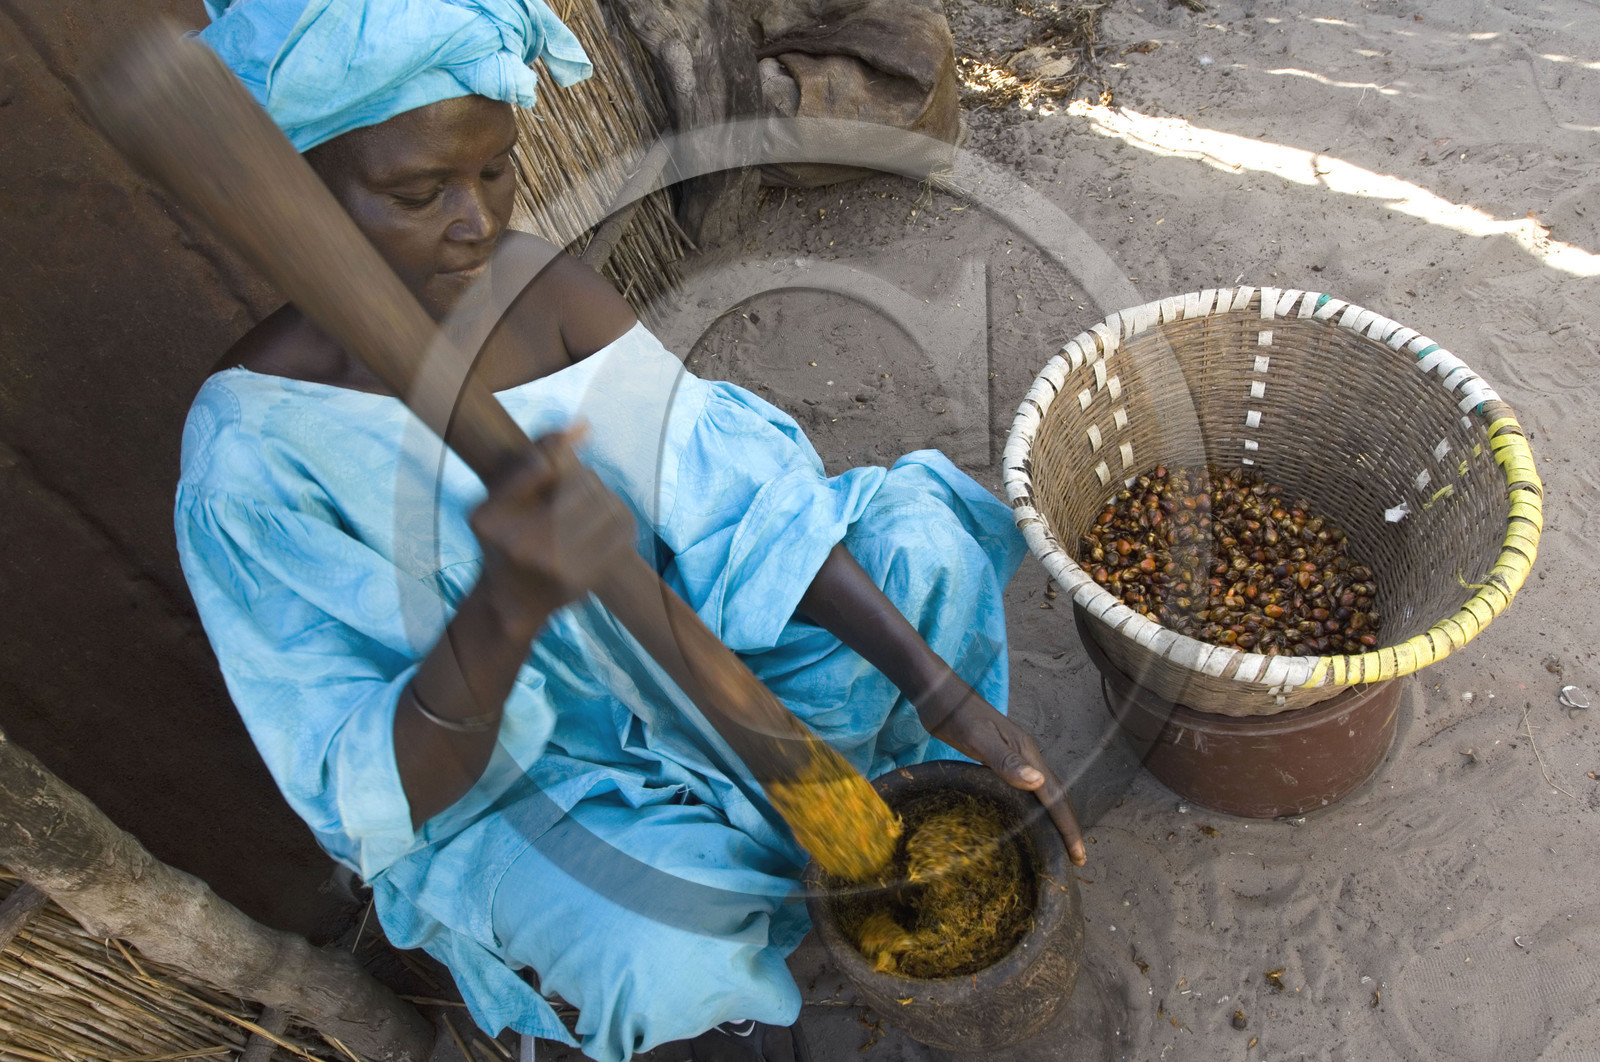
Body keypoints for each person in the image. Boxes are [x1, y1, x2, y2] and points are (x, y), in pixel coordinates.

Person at [177, 2, 1086, 1059]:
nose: (476, 222)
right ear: (301, 200)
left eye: (494, 170)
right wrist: (504, 610)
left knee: (920, 547)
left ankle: (857, 821)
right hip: (525, 783)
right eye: (421, 193)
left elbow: (747, 505)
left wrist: (947, 694)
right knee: (664, 946)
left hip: (688, 653)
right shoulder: (249, 459)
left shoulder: (533, 292)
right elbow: (377, 794)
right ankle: (728, 994)